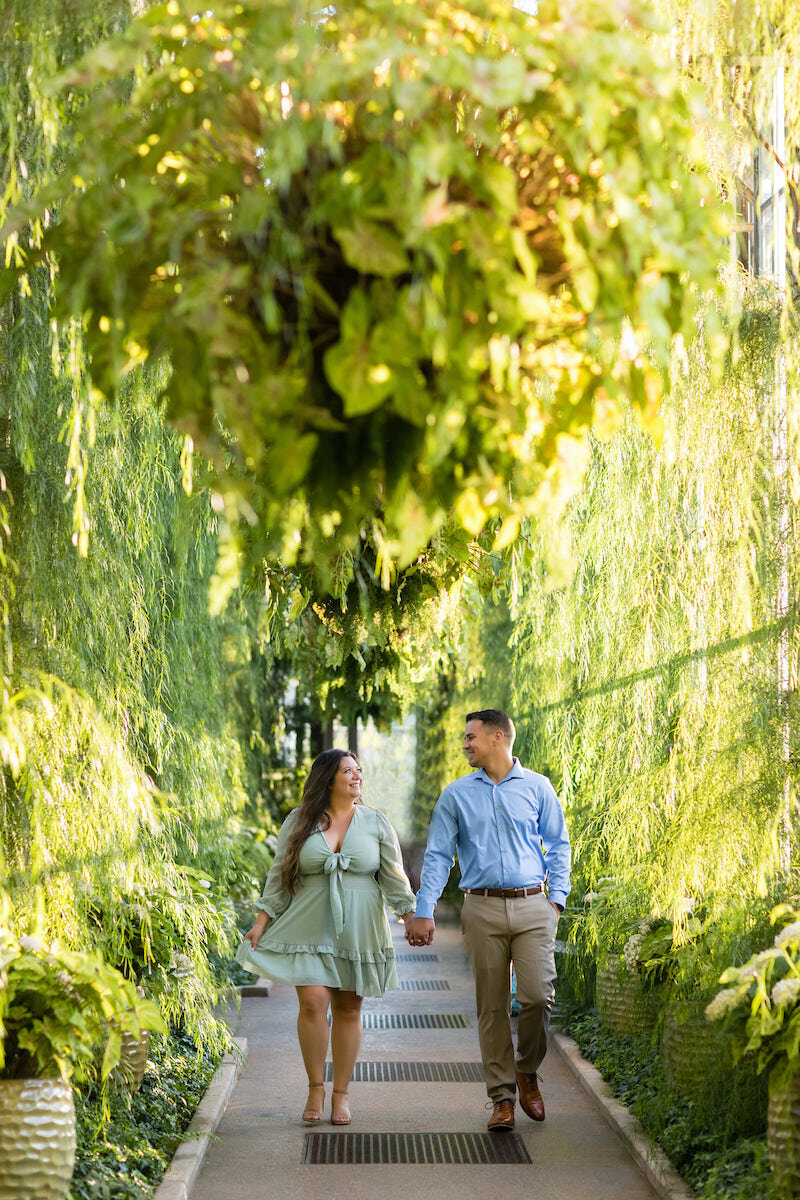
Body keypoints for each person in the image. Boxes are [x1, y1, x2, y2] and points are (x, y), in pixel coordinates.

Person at [405, 709, 570, 1133]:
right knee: (492, 1007)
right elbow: (440, 856)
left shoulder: (537, 788)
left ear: (498, 737)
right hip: (480, 908)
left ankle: (527, 1070)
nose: (465, 744)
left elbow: (558, 845)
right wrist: (425, 909)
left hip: (534, 905)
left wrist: (557, 901)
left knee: (537, 998)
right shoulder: (456, 795)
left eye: (471, 737)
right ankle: (502, 1099)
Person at [237, 748, 417, 1126]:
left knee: (349, 1009)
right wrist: (261, 920)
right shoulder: (299, 821)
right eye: (347, 771)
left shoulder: (376, 823)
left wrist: (412, 916)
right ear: (327, 779)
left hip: (360, 927)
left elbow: (393, 877)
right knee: (313, 1004)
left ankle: (341, 1095)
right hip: (309, 925)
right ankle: (315, 1088)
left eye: (358, 770)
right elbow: (279, 874)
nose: (357, 776)